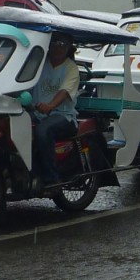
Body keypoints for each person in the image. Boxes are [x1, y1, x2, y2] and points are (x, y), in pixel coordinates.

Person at [28, 33, 80, 193]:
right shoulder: (39, 64)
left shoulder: (71, 68)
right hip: (36, 113)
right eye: (55, 43)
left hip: (62, 115)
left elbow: (64, 91)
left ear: (69, 48)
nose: (58, 47)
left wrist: (50, 105)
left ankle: (52, 179)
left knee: (43, 130)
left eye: (62, 44)